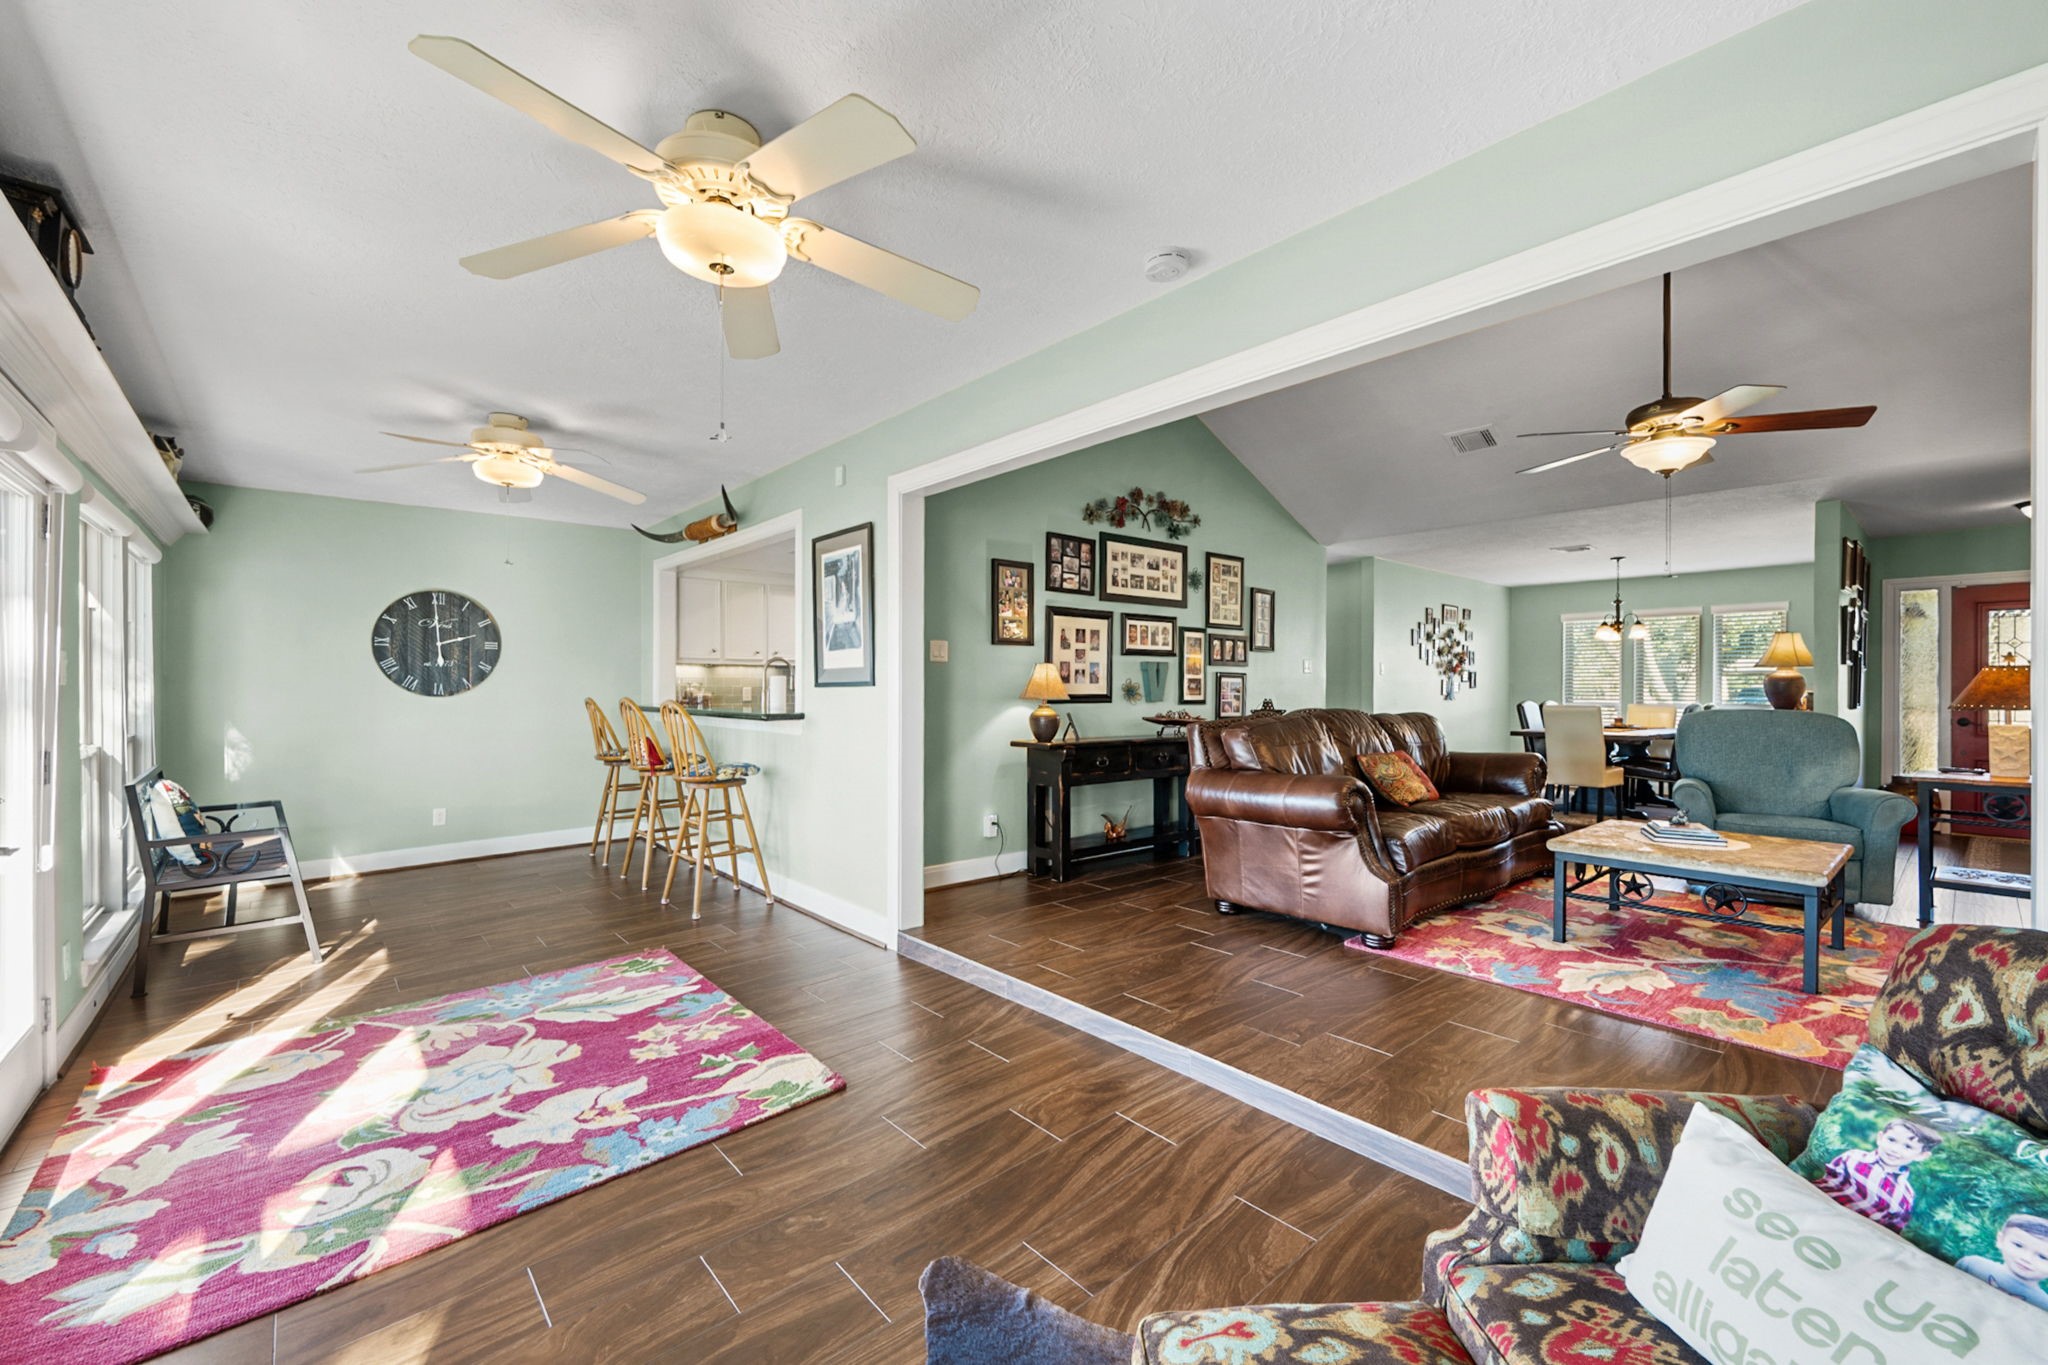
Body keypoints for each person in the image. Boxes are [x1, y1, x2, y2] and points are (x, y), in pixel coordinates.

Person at [1811, 1119, 1942, 1231]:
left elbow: (1891, 1231)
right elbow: (1823, 1183)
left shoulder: (1906, 1195)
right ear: (1880, 1138)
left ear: (1922, 1156)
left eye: (1908, 1146)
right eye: (1891, 1140)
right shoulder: (1853, 1158)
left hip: (1853, 1235)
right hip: (1818, 1212)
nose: (1895, 1149)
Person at [1958, 1213, 2048, 1309]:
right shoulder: (1972, 1265)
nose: (2026, 1258)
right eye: (2018, 1245)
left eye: (2042, 1257)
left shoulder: (2044, 1304)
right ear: (2000, 1240)